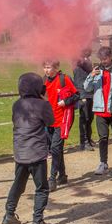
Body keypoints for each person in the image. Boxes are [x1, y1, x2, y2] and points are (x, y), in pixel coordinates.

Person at [2, 72, 55, 224]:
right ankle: (37, 221)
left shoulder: (17, 104)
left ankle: (9, 214)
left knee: (18, 184)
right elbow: (51, 122)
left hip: (20, 151)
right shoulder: (42, 104)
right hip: (36, 153)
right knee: (42, 188)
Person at [42, 60, 79, 192]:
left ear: (57, 68)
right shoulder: (44, 80)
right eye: (45, 67)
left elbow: (76, 95)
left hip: (62, 119)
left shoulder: (64, 79)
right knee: (57, 148)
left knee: (55, 148)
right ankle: (62, 175)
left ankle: (52, 178)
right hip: (49, 120)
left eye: (49, 67)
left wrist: (66, 101)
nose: (47, 70)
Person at [84, 46, 112, 175]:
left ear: (110, 57)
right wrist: (91, 76)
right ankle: (103, 163)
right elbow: (86, 88)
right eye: (101, 59)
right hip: (100, 110)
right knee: (103, 138)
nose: (103, 61)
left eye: (105, 58)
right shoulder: (96, 71)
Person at [73, 49, 95, 151]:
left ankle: (89, 139)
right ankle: (84, 142)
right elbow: (87, 68)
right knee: (84, 118)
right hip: (83, 93)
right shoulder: (77, 59)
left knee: (90, 118)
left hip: (90, 92)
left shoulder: (86, 59)